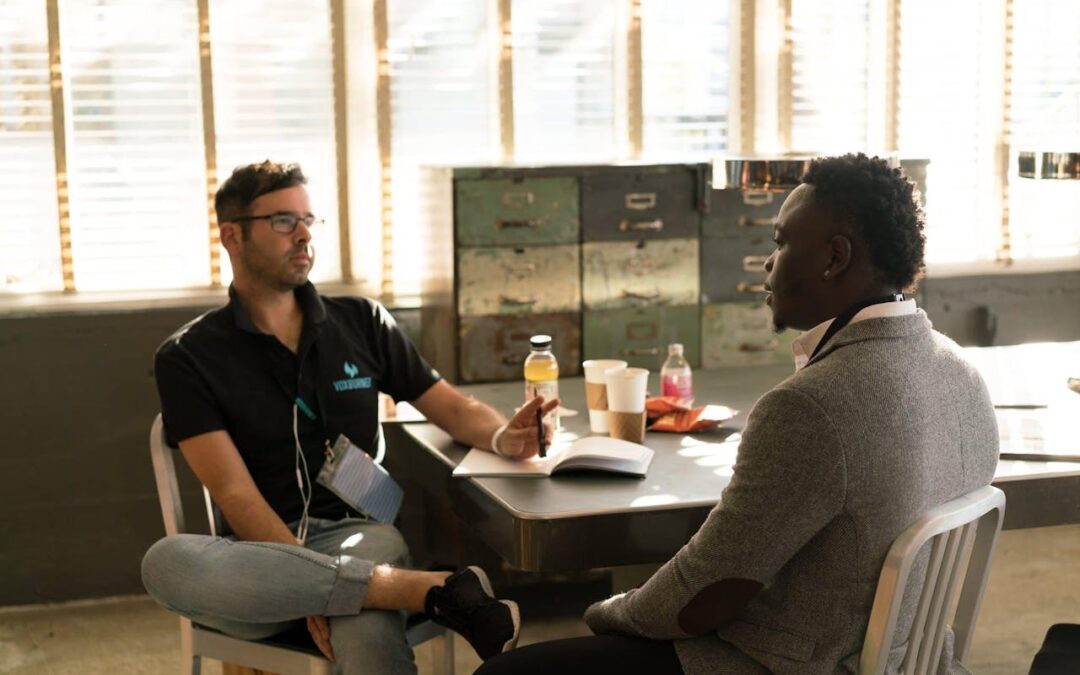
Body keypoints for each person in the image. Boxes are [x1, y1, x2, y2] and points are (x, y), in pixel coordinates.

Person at [476, 153, 999, 675]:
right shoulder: (962, 373)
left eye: (780, 242)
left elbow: (704, 594)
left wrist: (607, 612)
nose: (767, 262)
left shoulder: (810, 406)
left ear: (834, 258)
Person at [141, 160, 558, 675]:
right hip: (256, 562)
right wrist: (312, 584)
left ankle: (379, 590)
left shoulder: (360, 321)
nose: (302, 235)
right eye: (282, 221)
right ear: (232, 236)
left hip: (360, 534)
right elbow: (236, 497)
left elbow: (447, 404)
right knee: (166, 563)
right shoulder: (187, 357)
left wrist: (502, 435)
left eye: (308, 221)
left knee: (363, 623)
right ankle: (433, 590)